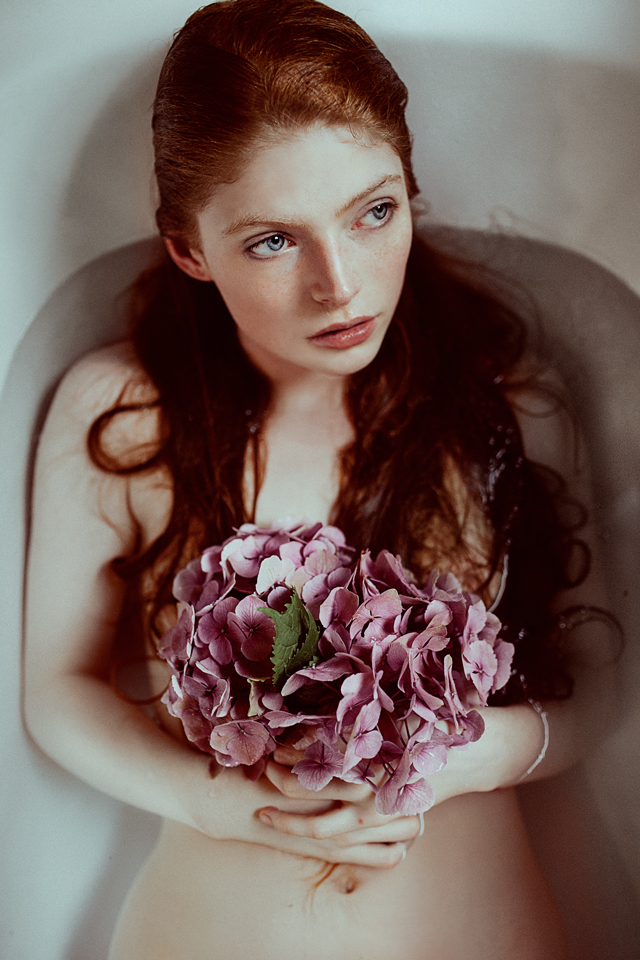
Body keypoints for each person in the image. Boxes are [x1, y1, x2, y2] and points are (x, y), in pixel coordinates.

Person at [23, 1, 613, 957]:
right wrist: (221, 803)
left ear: (410, 191)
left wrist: (469, 756)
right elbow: (57, 687)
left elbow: (606, 678)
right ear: (188, 249)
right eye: (273, 240)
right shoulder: (125, 417)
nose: (340, 284)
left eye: (373, 212)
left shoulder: (511, 400)